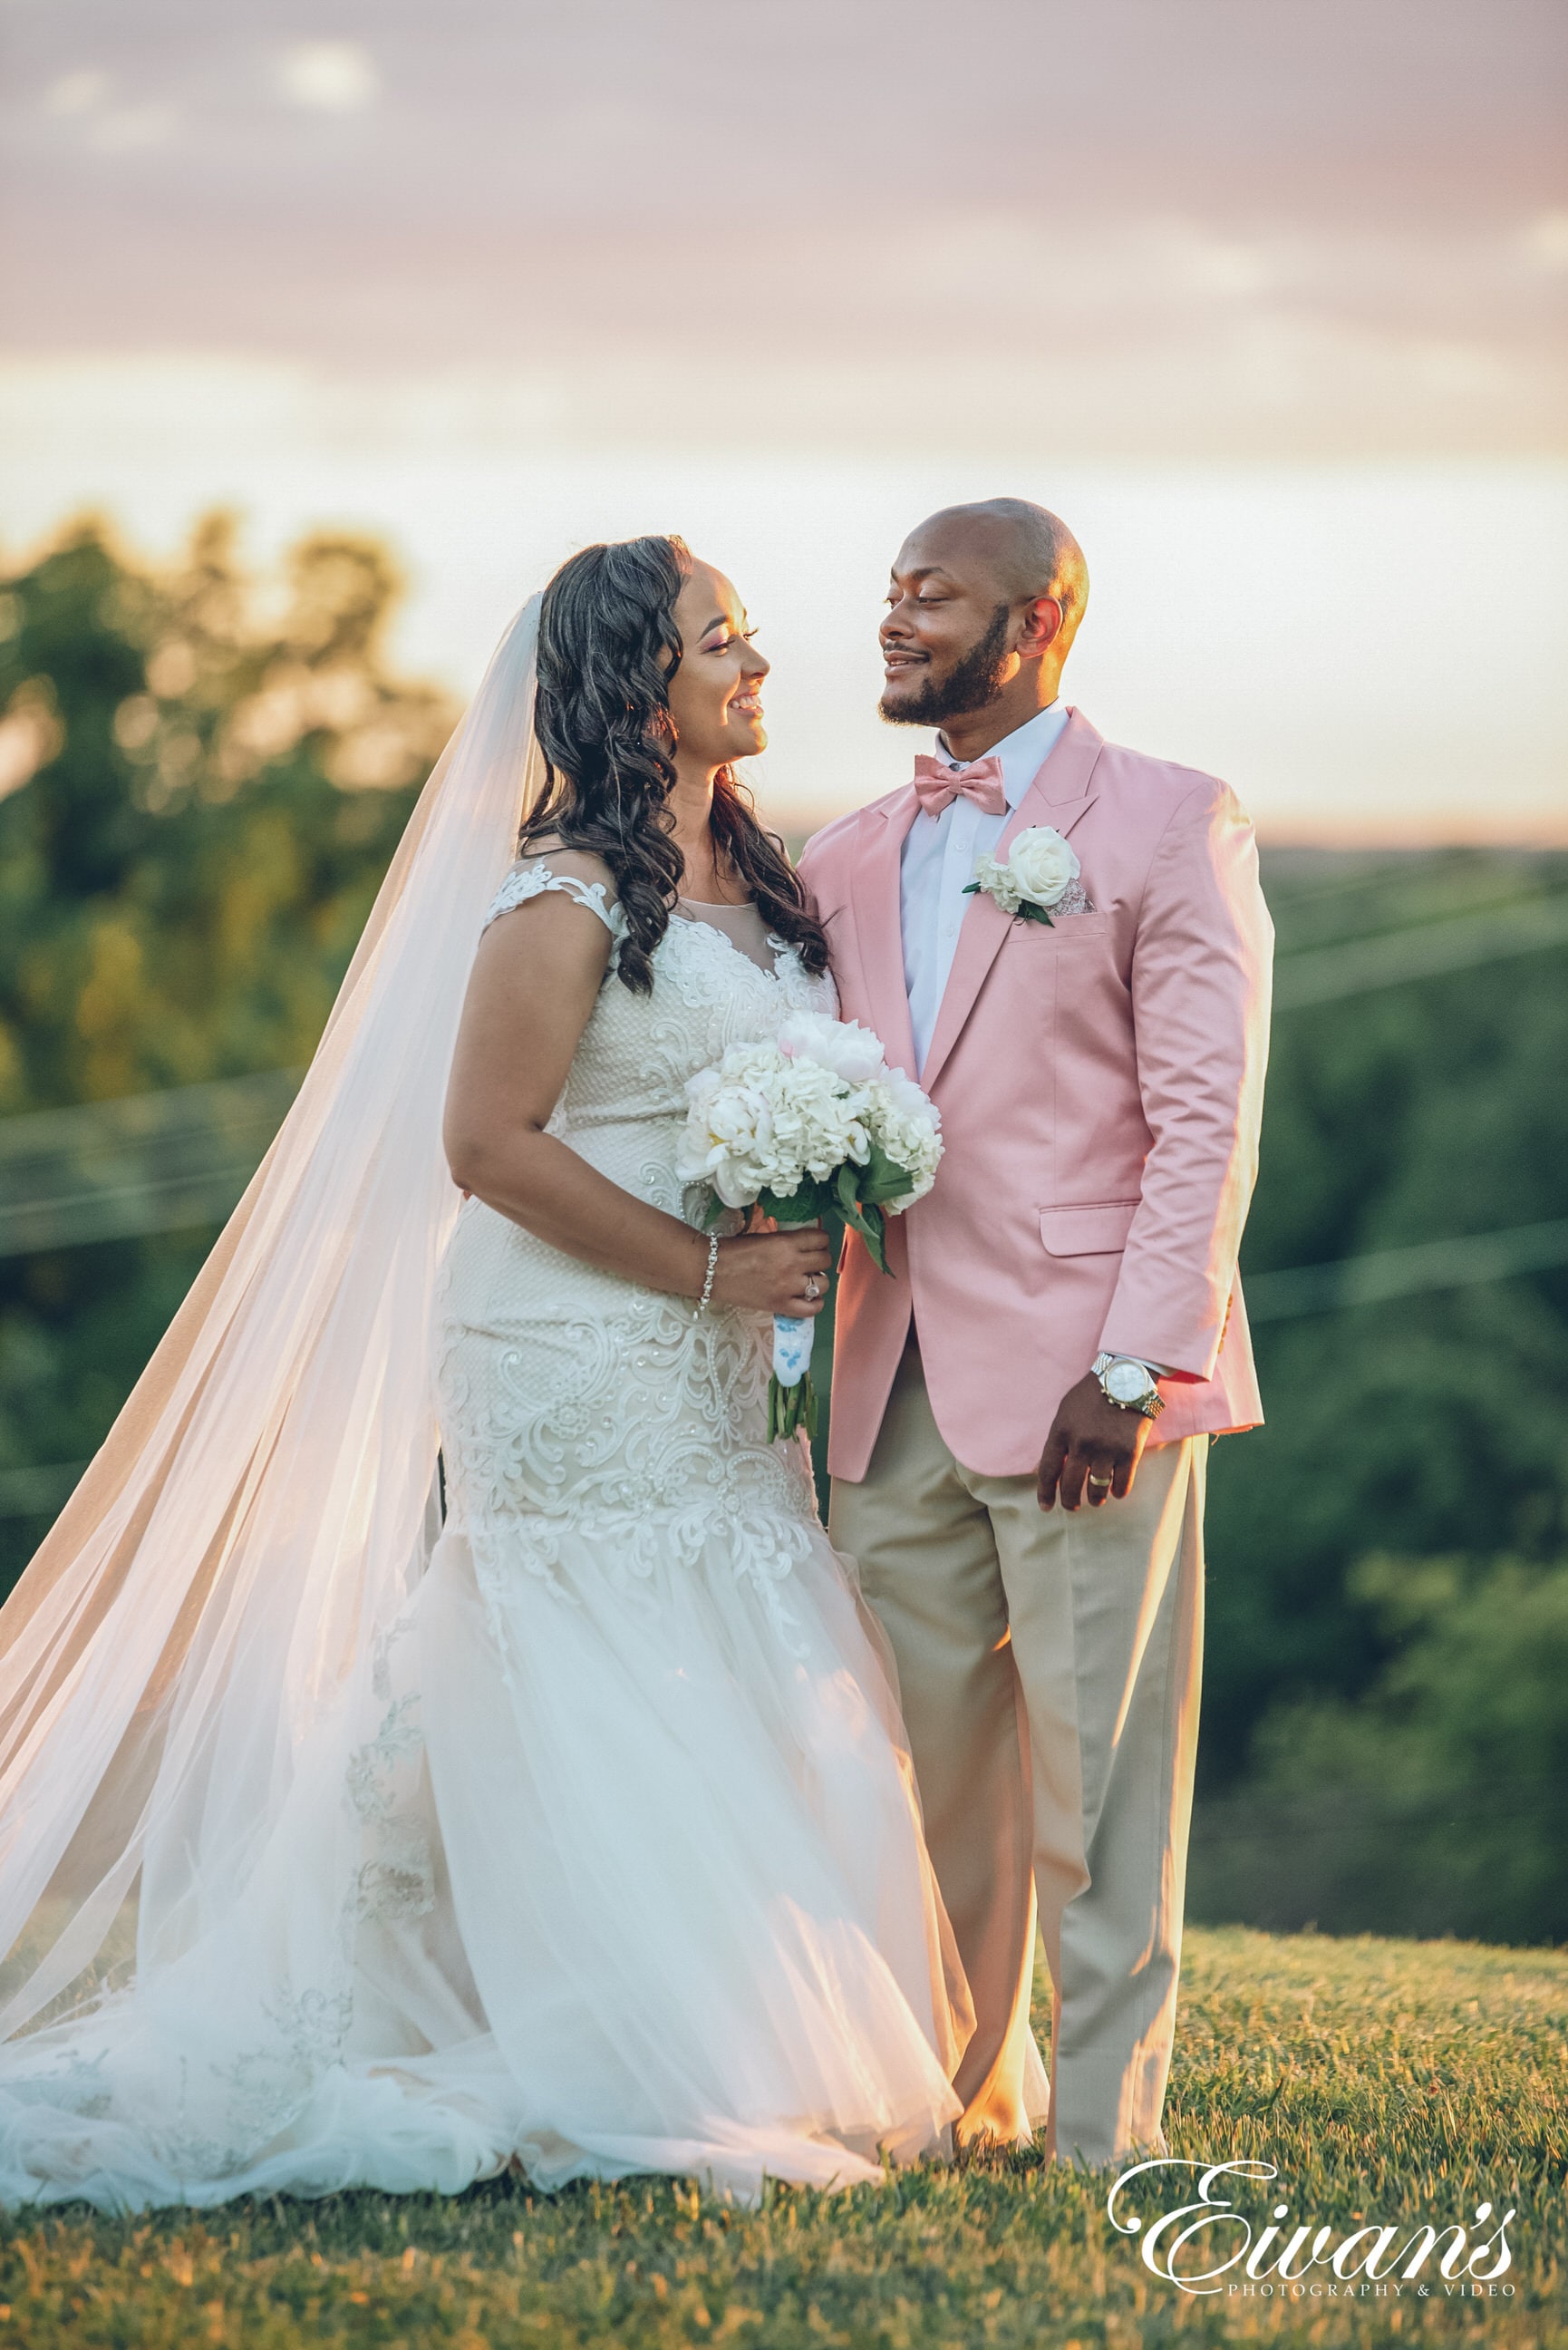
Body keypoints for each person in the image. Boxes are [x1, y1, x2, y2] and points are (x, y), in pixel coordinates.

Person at [0, 535, 973, 2212]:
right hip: (569, 1337)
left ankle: (726, 2002)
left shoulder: (771, 877)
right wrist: (705, 1268)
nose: (754, 659)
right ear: (631, 688)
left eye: (744, 630)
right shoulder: (560, 898)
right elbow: (483, 1145)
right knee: (591, 1642)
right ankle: (635, 2030)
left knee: (726, 1624)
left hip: (725, 1357)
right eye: (717, 638)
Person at [799, 498, 1273, 2170]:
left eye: (933, 594)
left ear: (1040, 617)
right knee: (919, 1788)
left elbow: (1203, 1118)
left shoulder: (1165, 821)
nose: (895, 619)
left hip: (1092, 1384)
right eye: (888, 592)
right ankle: (943, 2100)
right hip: (888, 1384)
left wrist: (1141, 1363)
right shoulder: (847, 851)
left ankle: (1104, 2136)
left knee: (1100, 1783)